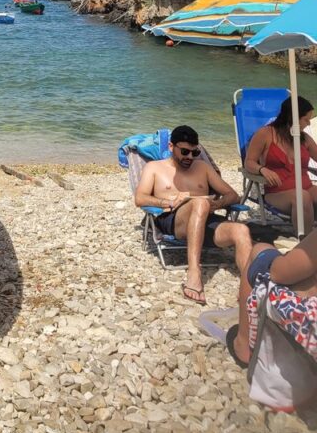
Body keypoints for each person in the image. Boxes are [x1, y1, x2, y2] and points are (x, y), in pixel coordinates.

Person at [134, 124, 252, 304]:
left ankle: (251, 288)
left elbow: (233, 195)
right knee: (199, 202)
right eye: (185, 152)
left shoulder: (202, 168)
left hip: (205, 219)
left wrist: (217, 204)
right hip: (173, 220)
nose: (189, 157)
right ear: (171, 147)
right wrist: (169, 202)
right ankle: (194, 272)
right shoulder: (154, 168)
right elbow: (140, 198)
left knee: (241, 231)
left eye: (194, 153)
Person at [229, 229, 317, 367]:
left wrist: (287, 258)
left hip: (310, 324)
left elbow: (279, 272)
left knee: (261, 251)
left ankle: (244, 347)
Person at [244, 96, 317, 233]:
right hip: (278, 192)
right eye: (306, 119)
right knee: (302, 197)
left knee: (305, 194)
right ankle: (305, 245)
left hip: (307, 187)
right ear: (292, 117)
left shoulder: (303, 138)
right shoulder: (265, 134)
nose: (308, 124)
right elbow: (248, 163)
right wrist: (262, 169)